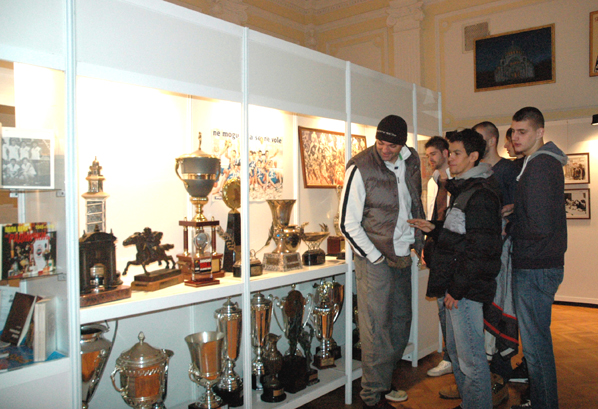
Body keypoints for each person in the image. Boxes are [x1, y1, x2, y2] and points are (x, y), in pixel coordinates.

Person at [408, 128, 503, 409]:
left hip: (465, 290)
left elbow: (480, 250)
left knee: (471, 359)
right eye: (450, 152)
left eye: (457, 153)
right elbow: (461, 237)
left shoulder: (481, 194)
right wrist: (434, 228)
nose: (450, 158)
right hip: (456, 285)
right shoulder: (465, 189)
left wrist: (457, 289)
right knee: (460, 355)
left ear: (473, 156)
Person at [339, 114, 425, 408]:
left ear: (402, 144)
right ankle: (371, 395)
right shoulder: (360, 167)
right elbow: (347, 223)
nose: (385, 150)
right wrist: (374, 256)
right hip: (374, 258)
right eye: (380, 143)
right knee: (376, 327)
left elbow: (414, 203)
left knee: (401, 322)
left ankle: (384, 382)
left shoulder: (412, 162)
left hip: (403, 254)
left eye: (392, 145)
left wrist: (418, 243)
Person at [509, 107, 567, 409]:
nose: (515, 137)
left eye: (523, 132)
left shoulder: (540, 166)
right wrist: (516, 211)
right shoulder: (539, 163)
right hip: (541, 263)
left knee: (535, 347)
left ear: (540, 132)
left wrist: (511, 225)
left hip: (535, 265)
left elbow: (539, 226)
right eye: (513, 131)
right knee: (536, 344)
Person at [423, 136, 454, 379]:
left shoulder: (457, 181)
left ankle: (454, 357)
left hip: (454, 251)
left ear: (445, 153)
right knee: (442, 307)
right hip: (437, 249)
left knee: (452, 307)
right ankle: (449, 356)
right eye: (428, 156)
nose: (430, 159)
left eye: (433, 154)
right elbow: (432, 216)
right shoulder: (433, 182)